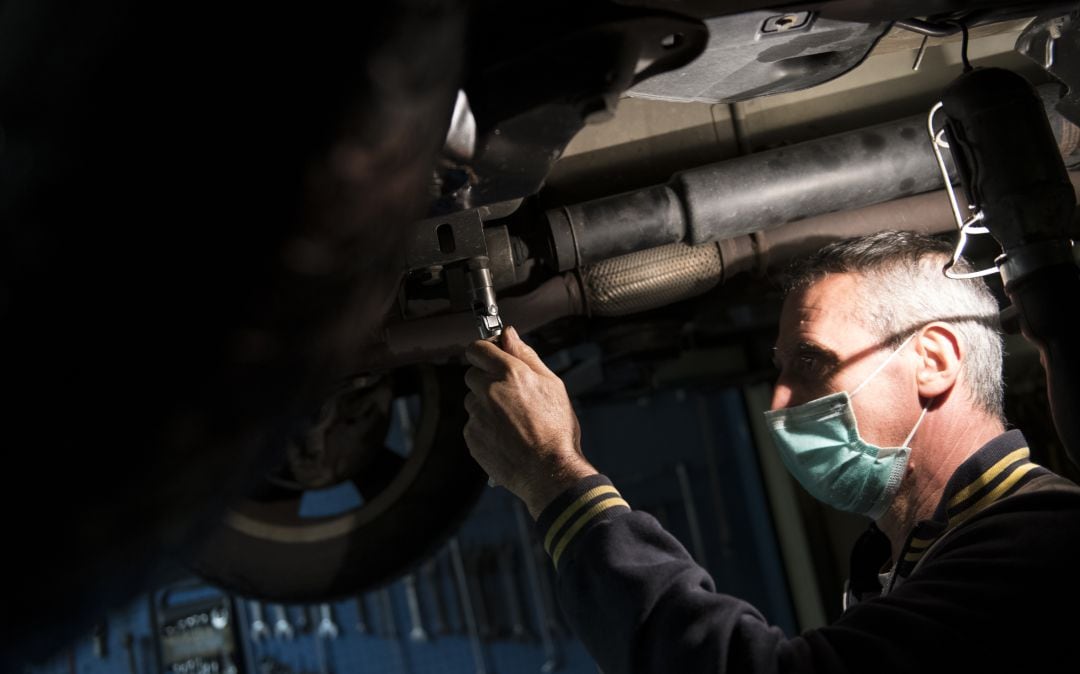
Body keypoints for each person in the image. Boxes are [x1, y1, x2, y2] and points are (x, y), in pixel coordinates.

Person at [462, 230, 1080, 673]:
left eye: (811, 362)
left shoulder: (1040, 540)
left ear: (934, 360)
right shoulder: (905, 566)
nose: (779, 405)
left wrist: (557, 478)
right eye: (779, 370)